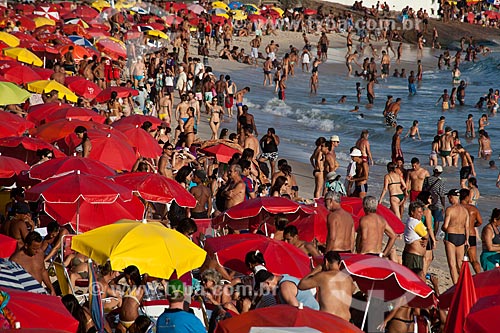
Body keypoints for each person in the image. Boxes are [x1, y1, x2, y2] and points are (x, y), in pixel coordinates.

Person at [298, 251, 355, 321]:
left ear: (326, 262)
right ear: (339, 264)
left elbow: (301, 285)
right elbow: (353, 289)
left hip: (329, 320)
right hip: (345, 321)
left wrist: (316, 270)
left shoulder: (323, 276)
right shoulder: (349, 279)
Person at [254, 270, 319, 310]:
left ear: (267, 283)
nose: (266, 291)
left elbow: (296, 309)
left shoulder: (285, 287)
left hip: (311, 314)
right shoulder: (283, 277)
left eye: (263, 288)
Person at [442, 189, 469, 284]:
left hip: (451, 236)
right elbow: (467, 227)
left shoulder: (450, 209)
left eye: (449, 197)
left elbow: (445, 226)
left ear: (452, 197)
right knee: (460, 263)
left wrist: (442, 229)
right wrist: (467, 240)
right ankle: (463, 283)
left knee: (452, 264)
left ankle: (456, 285)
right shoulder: (465, 211)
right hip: (462, 236)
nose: (448, 199)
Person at [459, 188, 482, 274]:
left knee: (460, 259)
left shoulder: (457, 208)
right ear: (467, 197)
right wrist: (472, 225)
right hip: (471, 234)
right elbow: (480, 222)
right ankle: (479, 275)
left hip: (460, 234)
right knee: (473, 259)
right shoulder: (473, 209)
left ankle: (463, 277)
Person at [118, 265, 145, 332]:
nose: (129, 281)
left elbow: (144, 280)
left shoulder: (140, 289)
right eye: (127, 279)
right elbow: (112, 283)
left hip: (133, 322)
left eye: (131, 279)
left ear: (135, 278)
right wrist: (122, 275)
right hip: (121, 321)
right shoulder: (126, 289)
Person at [402, 201, 428, 270]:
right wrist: (426, 239)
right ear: (412, 212)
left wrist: (425, 240)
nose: (421, 214)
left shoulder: (411, 221)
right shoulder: (415, 222)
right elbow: (426, 235)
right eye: (419, 212)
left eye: (422, 212)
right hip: (414, 256)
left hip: (413, 255)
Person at [422, 166, 446, 234]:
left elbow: (423, 190)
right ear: (440, 173)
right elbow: (442, 195)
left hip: (427, 202)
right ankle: (434, 235)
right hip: (436, 203)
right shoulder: (440, 182)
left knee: (427, 217)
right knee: (436, 220)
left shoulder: (427, 179)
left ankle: (425, 233)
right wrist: (443, 206)